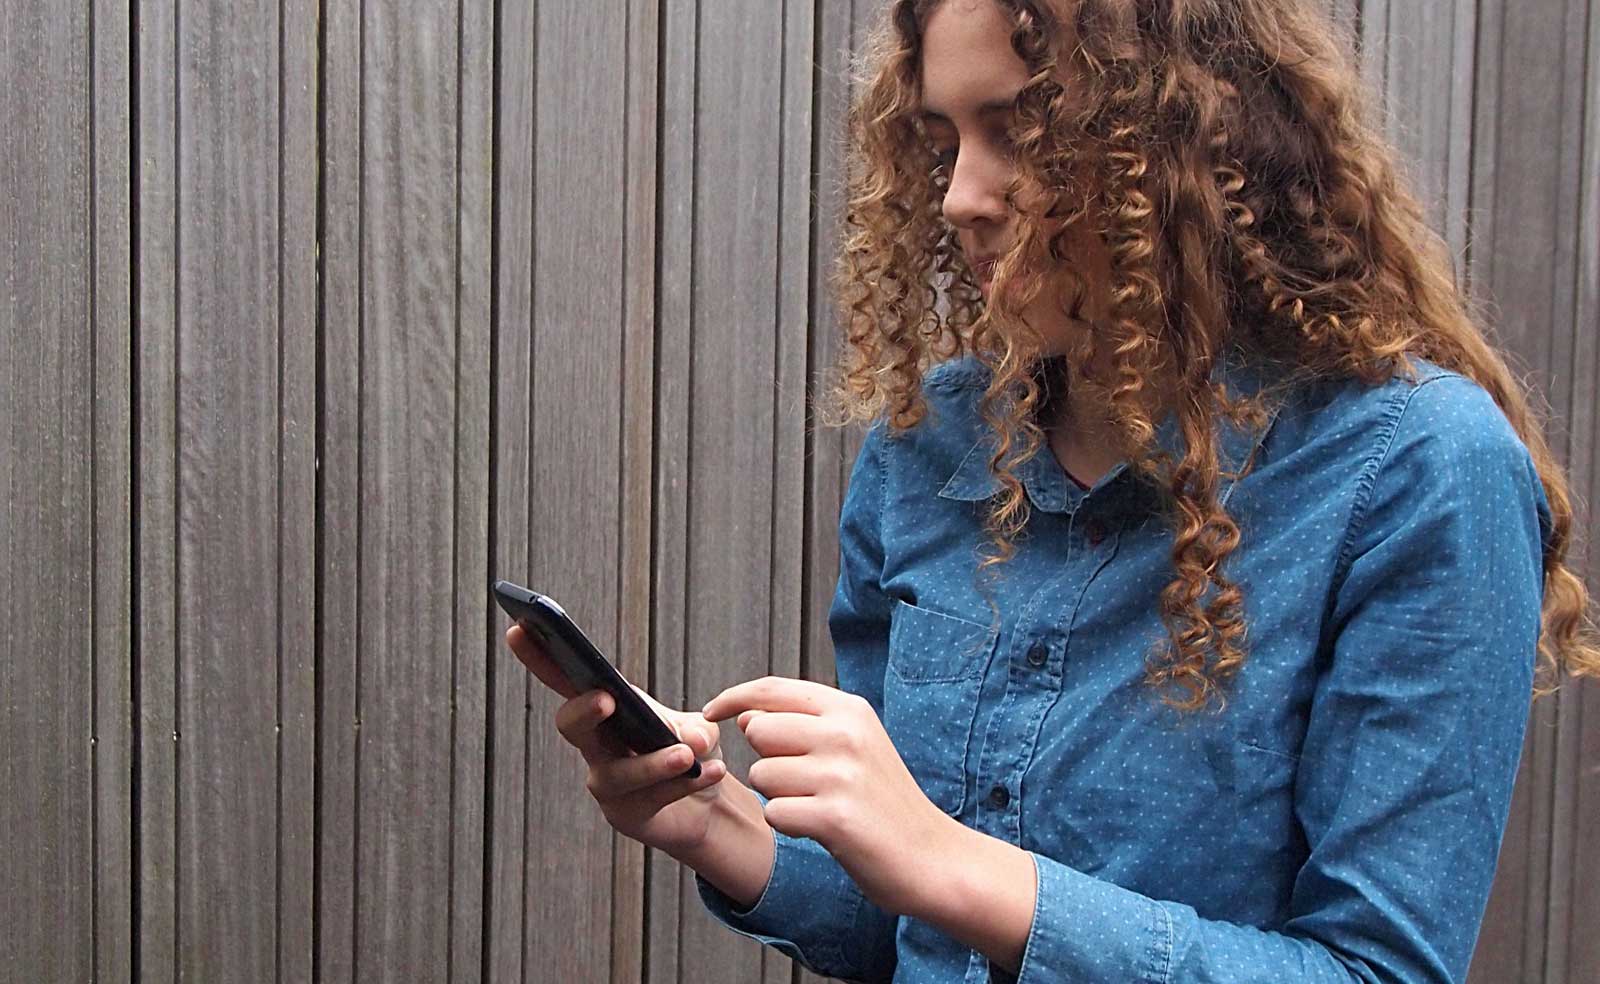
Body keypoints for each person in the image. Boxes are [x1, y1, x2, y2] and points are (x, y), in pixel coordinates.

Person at [505, 0, 1600, 980]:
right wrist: (721, 828)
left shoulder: (1414, 471)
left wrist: (960, 867)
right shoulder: (933, 444)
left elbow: (1374, 970)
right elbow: (915, 923)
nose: (959, 196)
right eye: (943, 142)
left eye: (1022, 132)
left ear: (1187, 140)